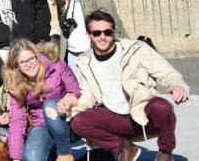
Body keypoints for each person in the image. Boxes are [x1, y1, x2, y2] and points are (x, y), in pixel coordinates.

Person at [70, 10, 189, 161]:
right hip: (114, 119)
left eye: (107, 32)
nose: (102, 37)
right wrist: (70, 106)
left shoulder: (136, 49)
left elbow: (167, 73)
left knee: (162, 107)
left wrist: (177, 85)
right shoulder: (84, 61)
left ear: (114, 32)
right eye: (97, 33)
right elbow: (87, 97)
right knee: (78, 122)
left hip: (143, 116)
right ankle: (124, 148)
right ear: (88, 34)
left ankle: (165, 153)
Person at [3, 38, 80, 161]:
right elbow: (17, 119)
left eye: (31, 58)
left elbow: (75, 89)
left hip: (65, 117)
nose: (29, 64)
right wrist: (15, 157)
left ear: (37, 56)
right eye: (23, 62)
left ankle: (65, 154)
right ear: (16, 66)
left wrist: (69, 98)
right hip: (41, 124)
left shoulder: (56, 65)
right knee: (31, 158)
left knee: (49, 105)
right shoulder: (15, 84)